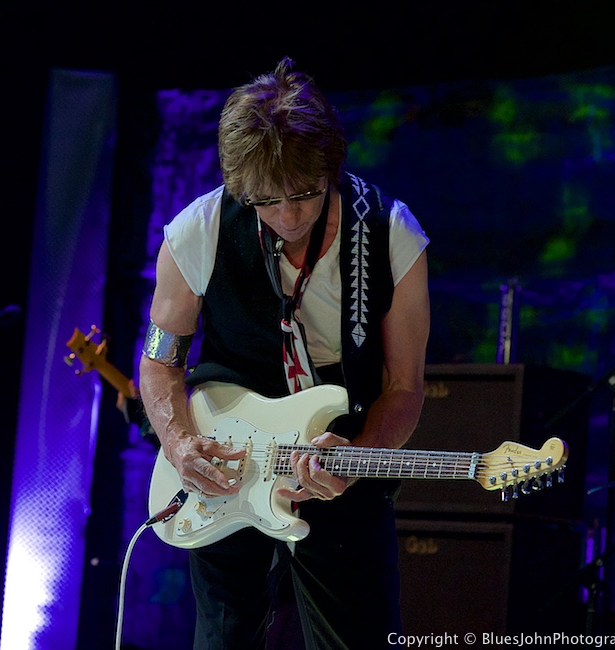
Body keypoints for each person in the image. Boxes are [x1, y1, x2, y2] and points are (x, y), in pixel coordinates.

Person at [138, 57, 430, 649]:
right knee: (222, 639)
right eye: (267, 202)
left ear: (331, 167)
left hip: (339, 451)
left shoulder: (392, 235)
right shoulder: (196, 232)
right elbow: (160, 360)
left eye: (305, 194)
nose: (290, 216)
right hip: (227, 448)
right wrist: (179, 442)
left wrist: (359, 457)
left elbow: (403, 387)